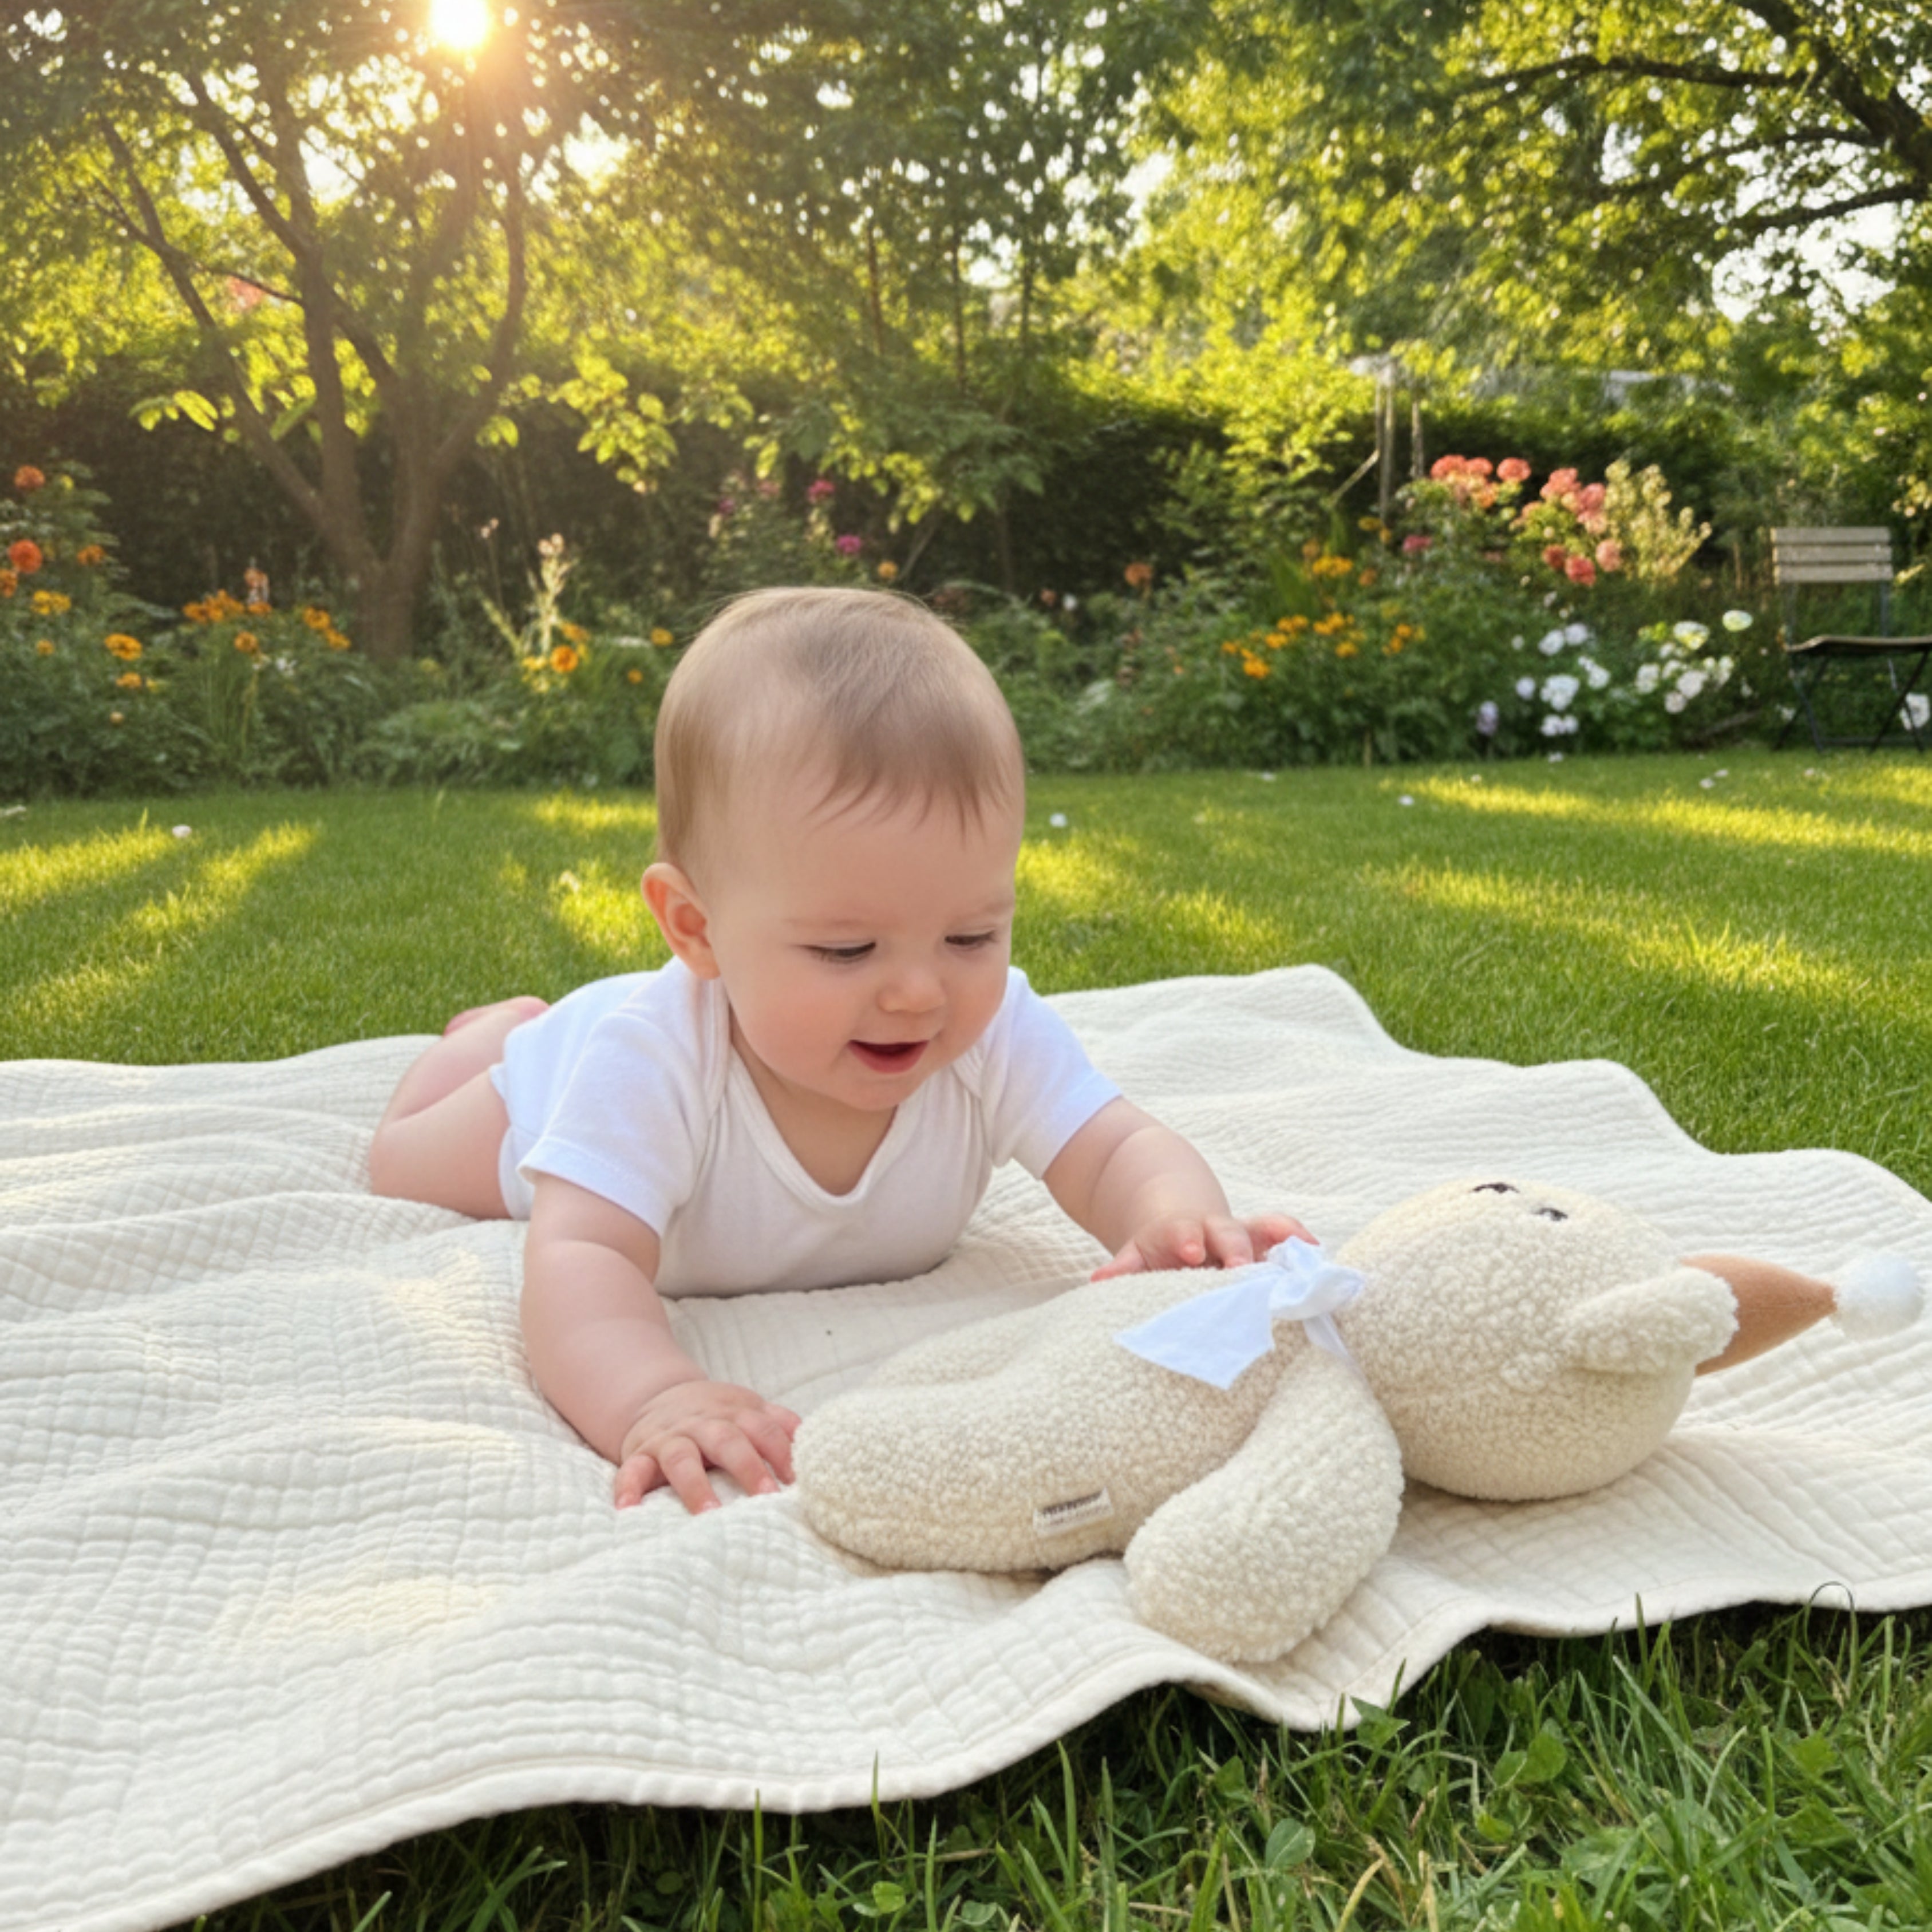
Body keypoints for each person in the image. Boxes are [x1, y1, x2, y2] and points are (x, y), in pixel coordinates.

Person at [369, 587, 1307, 1513]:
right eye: (847, 951)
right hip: (548, 1082)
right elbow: (580, 1257)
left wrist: (1177, 1226)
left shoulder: (991, 1032)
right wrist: (654, 1396)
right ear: (695, 927)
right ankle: (489, 1034)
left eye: (972, 936)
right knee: (397, 1162)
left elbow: (1117, 1147)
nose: (918, 993)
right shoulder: (647, 1064)